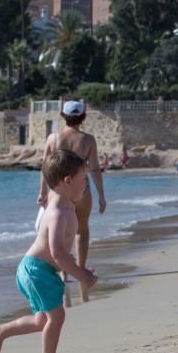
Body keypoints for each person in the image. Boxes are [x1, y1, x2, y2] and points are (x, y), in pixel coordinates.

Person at [0, 149, 97, 353]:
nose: (86, 184)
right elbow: (57, 252)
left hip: (39, 270)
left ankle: (1, 331)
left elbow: (60, 251)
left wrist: (77, 266)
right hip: (36, 271)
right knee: (57, 316)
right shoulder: (58, 212)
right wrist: (81, 275)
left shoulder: (66, 206)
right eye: (83, 179)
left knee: (42, 321)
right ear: (67, 181)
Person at [38, 100, 106, 304]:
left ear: (63, 115)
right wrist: (102, 195)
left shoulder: (53, 138)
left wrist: (42, 191)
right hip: (81, 190)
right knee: (81, 230)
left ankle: (63, 273)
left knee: (59, 231)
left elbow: (45, 167)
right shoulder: (88, 140)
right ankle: (81, 271)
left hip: (57, 191)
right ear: (83, 117)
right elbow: (94, 169)